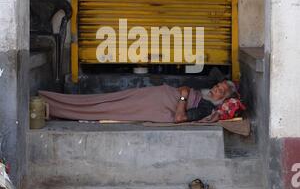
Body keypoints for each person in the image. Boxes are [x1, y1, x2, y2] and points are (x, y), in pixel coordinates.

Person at [39, 79, 236, 124]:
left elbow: (180, 118)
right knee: (104, 100)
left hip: (150, 106)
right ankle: (47, 100)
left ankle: (53, 107)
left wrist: (183, 95)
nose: (216, 88)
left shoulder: (206, 106)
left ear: (223, 99)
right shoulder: (203, 94)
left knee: (106, 108)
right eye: (218, 85)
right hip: (146, 97)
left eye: (221, 90)